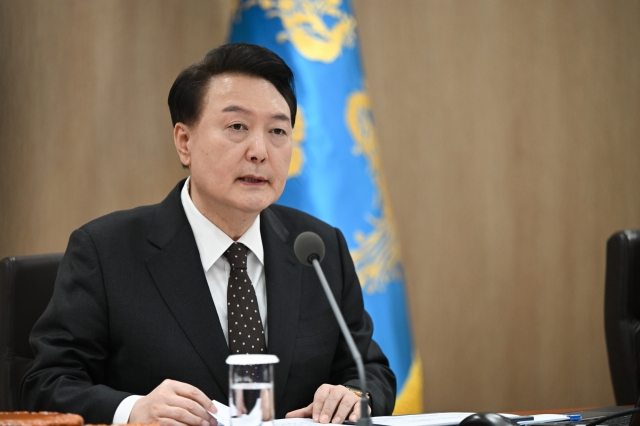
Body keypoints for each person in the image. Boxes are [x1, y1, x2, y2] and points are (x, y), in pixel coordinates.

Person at [21, 43, 396, 426]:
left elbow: (370, 370)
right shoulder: (105, 251)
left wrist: (353, 396)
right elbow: (45, 383)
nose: (260, 151)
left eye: (278, 131)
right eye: (237, 127)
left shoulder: (318, 248)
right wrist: (133, 410)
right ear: (185, 142)